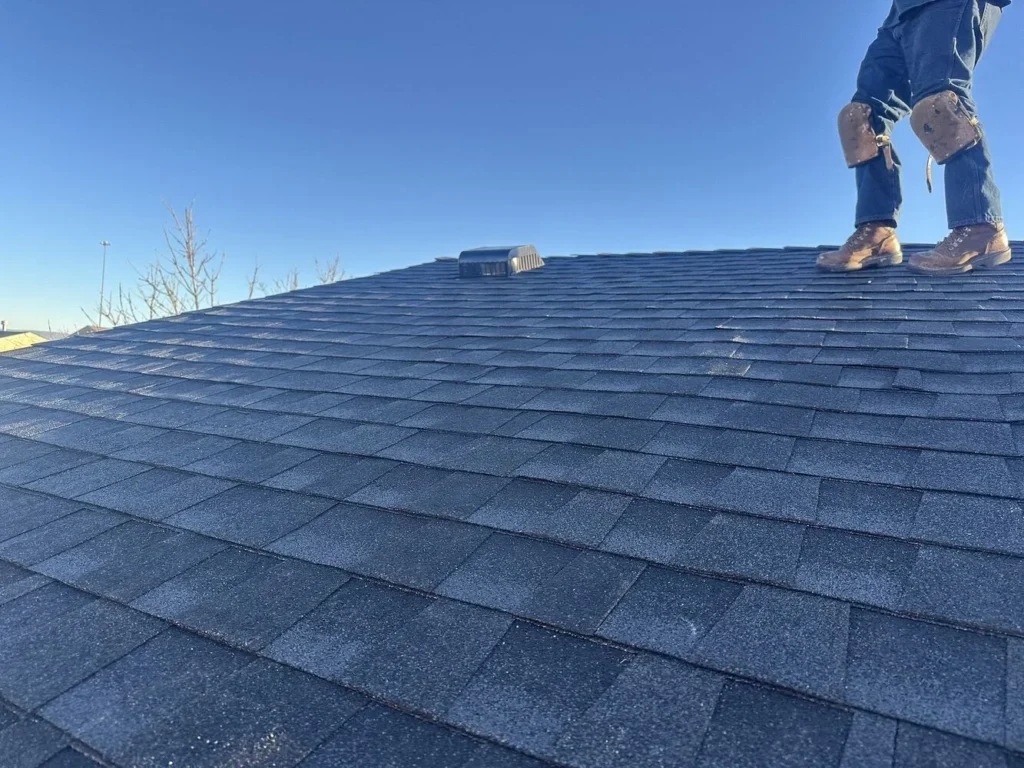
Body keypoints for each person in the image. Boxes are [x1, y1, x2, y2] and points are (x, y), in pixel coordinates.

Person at [817, 0, 1011, 275]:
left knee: (940, 105)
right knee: (860, 118)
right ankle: (876, 231)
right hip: (899, 13)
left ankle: (980, 226)